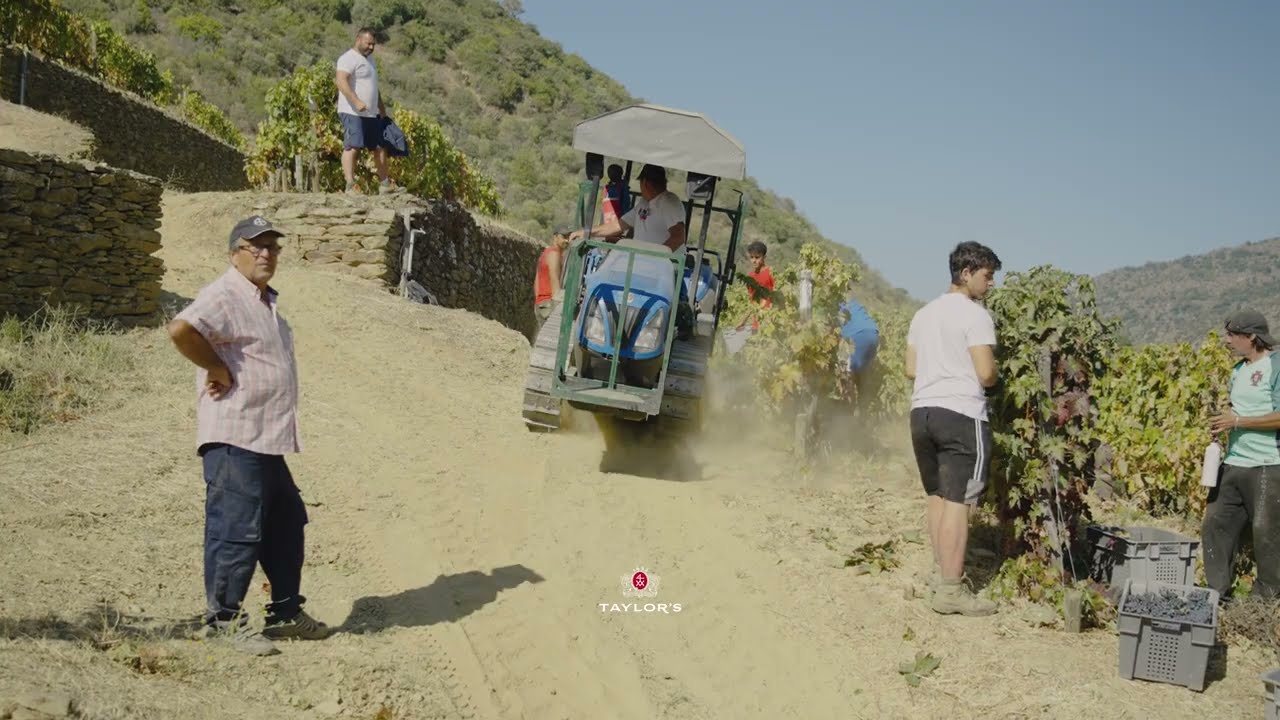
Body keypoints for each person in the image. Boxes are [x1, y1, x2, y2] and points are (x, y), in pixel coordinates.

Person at [167, 215, 331, 656]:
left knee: (286, 523)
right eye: (254, 246)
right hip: (235, 435)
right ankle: (223, 621)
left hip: (266, 438)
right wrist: (216, 368)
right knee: (235, 529)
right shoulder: (224, 294)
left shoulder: (265, 303)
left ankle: (283, 613)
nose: (265, 254)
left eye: (272, 247)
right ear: (233, 252)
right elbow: (181, 329)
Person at [905, 241, 1003, 616]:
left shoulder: (922, 314)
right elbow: (985, 372)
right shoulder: (975, 314)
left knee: (937, 496)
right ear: (967, 274)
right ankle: (951, 590)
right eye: (987, 276)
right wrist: (995, 377)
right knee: (959, 502)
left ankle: (938, 572)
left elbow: (911, 370)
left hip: (922, 413)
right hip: (961, 414)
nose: (990, 284)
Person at [1204, 309, 1280, 602]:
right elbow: (1242, 412)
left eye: (1233, 335)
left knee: (1266, 533)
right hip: (1234, 462)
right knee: (1215, 523)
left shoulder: (1275, 365)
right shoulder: (1238, 370)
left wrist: (1237, 422)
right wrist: (1225, 421)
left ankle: (1265, 604)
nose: (1227, 340)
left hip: (1268, 465)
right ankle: (1216, 595)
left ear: (1251, 337)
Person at [335, 27, 397, 195]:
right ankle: (350, 184)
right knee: (352, 146)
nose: (371, 47)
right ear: (358, 39)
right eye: (368, 43)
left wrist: (381, 107)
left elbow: (373, 87)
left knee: (379, 147)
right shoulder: (348, 58)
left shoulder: (370, 61)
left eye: (373, 44)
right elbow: (341, 81)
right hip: (352, 111)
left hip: (371, 114)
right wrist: (355, 101)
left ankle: (385, 184)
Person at [570, 164, 686, 252]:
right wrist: (587, 232)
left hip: (657, 270)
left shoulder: (670, 203)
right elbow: (618, 225)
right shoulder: (643, 203)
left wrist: (657, 259)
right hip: (638, 262)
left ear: (645, 183)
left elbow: (678, 237)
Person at [840, 297, 880, 399]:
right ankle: (863, 410)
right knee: (862, 375)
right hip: (874, 333)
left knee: (848, 373)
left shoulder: (831, 304)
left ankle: (847, 411)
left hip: (857, 335)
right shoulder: (852, 302)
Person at [533, 225, 572, 327]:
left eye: (568, 237)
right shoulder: (554, 254)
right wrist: (555, 308)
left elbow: (537, 279)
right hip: (548, 304)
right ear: (555, 237)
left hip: (541, 303)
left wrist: (538, 300)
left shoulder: (546, 252)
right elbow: (554, 280)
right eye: (564, 237)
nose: (567, 240)